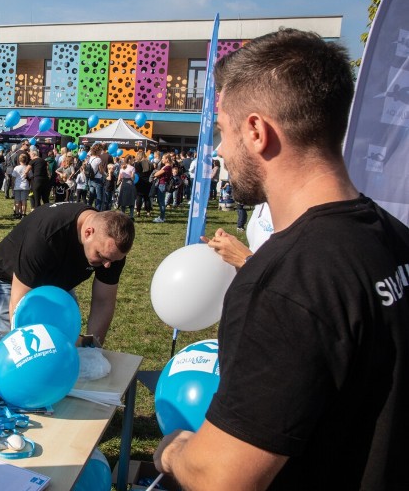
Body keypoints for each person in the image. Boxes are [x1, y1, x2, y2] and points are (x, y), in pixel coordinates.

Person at [154, 29, 409, 489]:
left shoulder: (286, 281)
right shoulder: (396, 239)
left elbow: (221, 477)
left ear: (256, 131)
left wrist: (172, 450)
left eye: (222, 130)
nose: (219, 150)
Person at [0, 202, 135, 342]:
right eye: (101, 256)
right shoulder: (46, 235)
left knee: (65, 339)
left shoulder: (112, 249)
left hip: (58, 281)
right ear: (88, 233)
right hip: (12, 279)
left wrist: (93, 348)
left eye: (113, 260)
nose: (107, 265)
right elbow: (20, 308)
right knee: (13, 344)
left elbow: (103, 301)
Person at [11, 152, 31, 219]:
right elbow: (31, 176)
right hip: (25, 185)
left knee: (17, 200)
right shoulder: (28, 167)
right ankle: (23, 213)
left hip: (17, 185)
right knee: (24, 201)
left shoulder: (16, 168)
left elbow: (13, 177)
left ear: (19, 160)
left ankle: (17, 213)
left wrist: (13, 185)